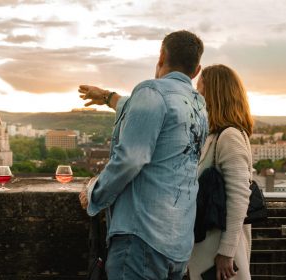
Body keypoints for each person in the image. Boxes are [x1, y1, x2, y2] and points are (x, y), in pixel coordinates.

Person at [78, 30, 208, 280]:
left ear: (161, 56)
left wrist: (95, 194)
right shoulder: (197, 104)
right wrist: (107, 97)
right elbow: (152, 114)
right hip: (178, 241)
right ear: (197, 70)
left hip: (142, 238)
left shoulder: (152, 91)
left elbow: (130, 159)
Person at [188, 64, 253, 280]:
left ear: (213, 94)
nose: (197, 95)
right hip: (208, 248)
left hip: (219, 253)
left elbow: (239, 198)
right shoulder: (214, 136)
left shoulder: (230, 136)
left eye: (200, 90)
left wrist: (226, 252)